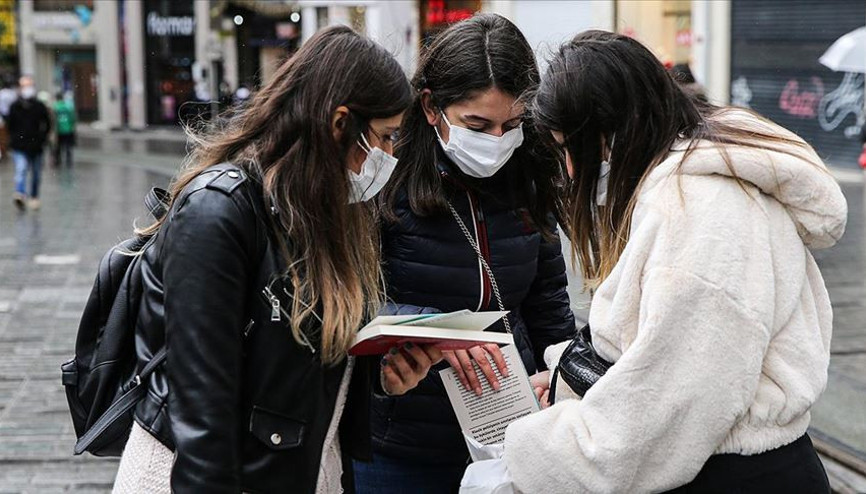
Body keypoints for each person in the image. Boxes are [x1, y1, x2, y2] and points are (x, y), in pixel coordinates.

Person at [499, 30, 846, 493]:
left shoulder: (698, 210)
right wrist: (572, 377)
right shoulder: (688, 186)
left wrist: (533, 448)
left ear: (607, 135)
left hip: (731, 476)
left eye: (569, 149)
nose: (569, 170)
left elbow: (670, 406)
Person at [111, 26, 441, 494]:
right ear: (339, 123)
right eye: (385, 137)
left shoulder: (332, 211)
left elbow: (298, 361)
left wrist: (380, 378)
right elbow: (202, 414)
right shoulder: (218, 211)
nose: (389, 156)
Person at [354, 14, 576, 493]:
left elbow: (547, 298)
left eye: (512, 124)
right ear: (432, 107)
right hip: (402, 440)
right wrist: (438, 327)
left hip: (510, 432)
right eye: (477, 124)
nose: (497, 141)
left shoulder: (529, 172)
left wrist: (564, 383)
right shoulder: (383, 177)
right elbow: (344, 298)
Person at [7, 75, 50, 211]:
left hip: (36, 146)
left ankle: (34, 196)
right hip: (19, 146)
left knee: (36, 174)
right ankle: (20, 193)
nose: (27, 89)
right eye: (24, 86)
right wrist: (14, 139)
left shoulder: (39, 106)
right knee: (21, 169)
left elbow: (47, 123)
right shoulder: (15, 106)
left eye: (29, 85)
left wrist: (42, 138)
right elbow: (10, 125)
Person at [52, 91, 76, 168]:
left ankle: (58, 161)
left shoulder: (55, 107)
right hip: (68, 129)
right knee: (68, 146)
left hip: (58, 130)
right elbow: (73, 118)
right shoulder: (68, 107)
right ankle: (69, 161)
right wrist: (72, 127)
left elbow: (52, 120)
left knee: (58, 147)